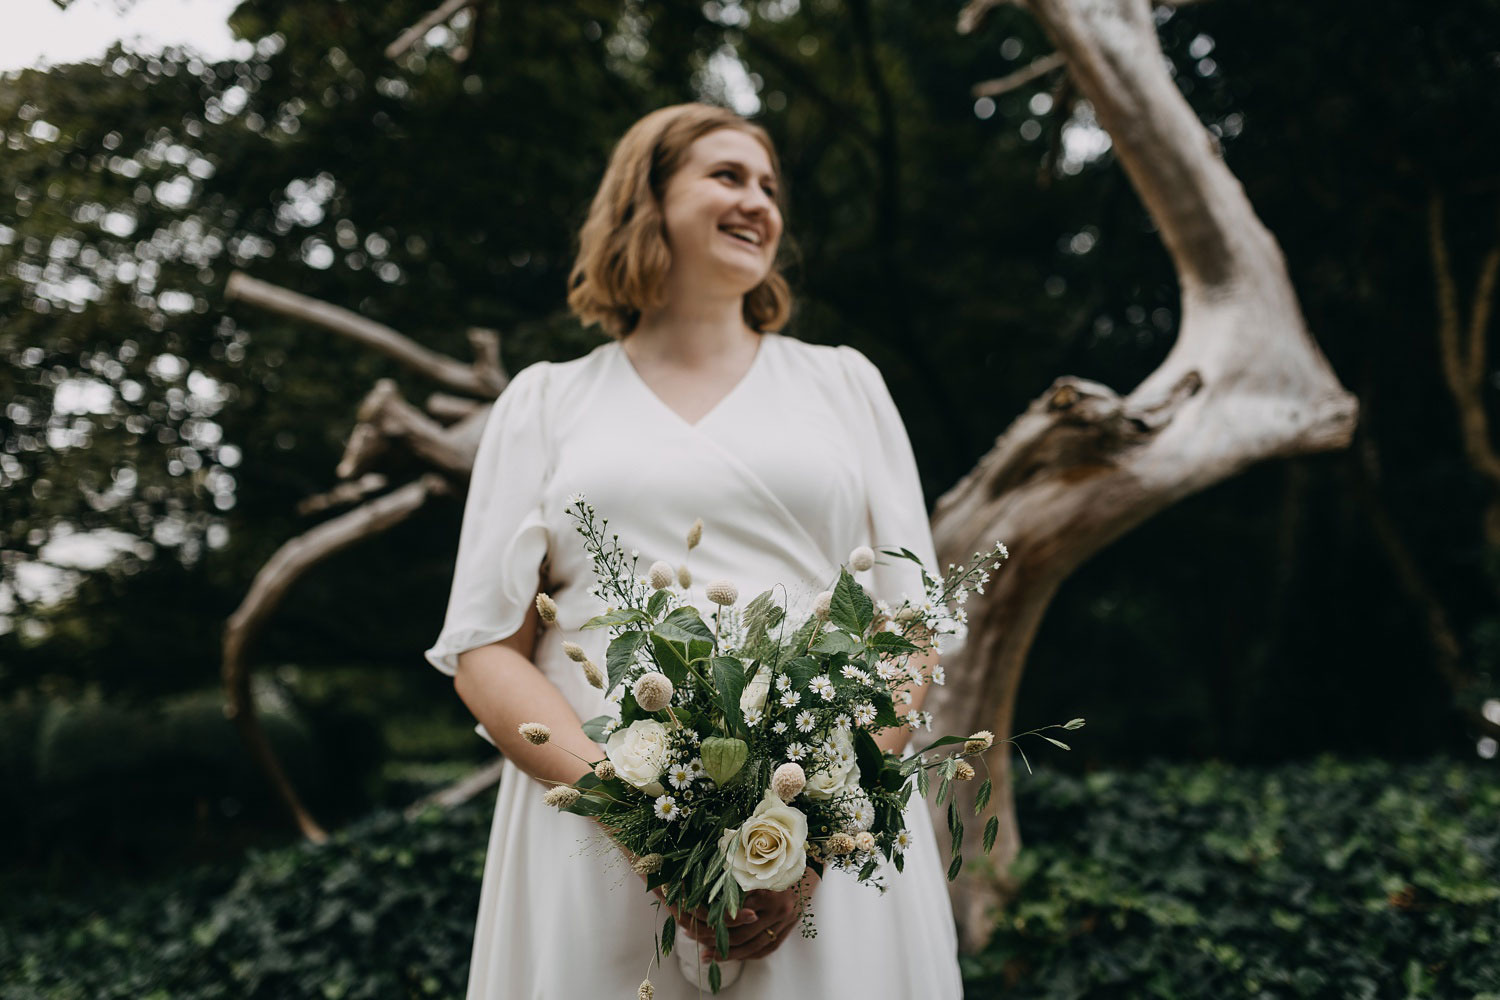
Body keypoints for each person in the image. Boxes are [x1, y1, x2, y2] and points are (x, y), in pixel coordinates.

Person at [425, 102, 964, 999]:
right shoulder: (546, 401)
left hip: (826, 823)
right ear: (649, 198)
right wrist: (642, 822)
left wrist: (821, 825)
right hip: (594, 831)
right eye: (727, 176)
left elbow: (909, 627)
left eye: (769, 186)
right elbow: (487, 649)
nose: (759, 202)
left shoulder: (844, 384)